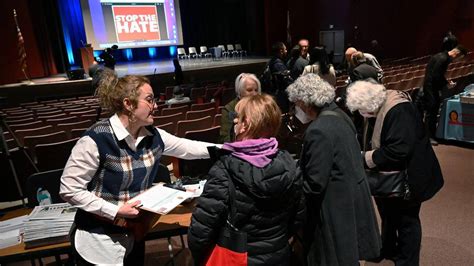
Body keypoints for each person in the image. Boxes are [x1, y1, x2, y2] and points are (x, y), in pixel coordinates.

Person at [60, 69, 219, 265]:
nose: (156, 106)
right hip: (98, 244)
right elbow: (69, 189)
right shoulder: (95, 139)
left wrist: (231, 149)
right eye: (150, 100)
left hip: (133, 236)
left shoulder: (154, 135)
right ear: (128, 104)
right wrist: (115, 210)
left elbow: (189, 148)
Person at [188, 94, 305, 265]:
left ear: (246, 125)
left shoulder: (224, 169)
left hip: (238, 258)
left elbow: (201, 232)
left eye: (237, 118)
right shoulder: (290, 164)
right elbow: (298, 218)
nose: (234, 122)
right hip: (278, 255)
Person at [346, 80, 444, 265]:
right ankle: (388, 248)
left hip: (411, 176)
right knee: (388, 215)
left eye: (361, 109)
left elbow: (399, 150)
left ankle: (407, 260)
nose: (361, 114)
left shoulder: (399, 110)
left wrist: (364, 157)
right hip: (390, 177)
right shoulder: (377, 106)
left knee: (407, 221)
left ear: (371, 103)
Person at [286, 74, 381, 265]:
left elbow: (314, 184)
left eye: (297, 104)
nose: (297, 109)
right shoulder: (340, 115)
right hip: (350, 198)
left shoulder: (318, 130)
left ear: (306, 102)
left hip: (334, 208)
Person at [422, 45, 467, 144]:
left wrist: (446, 81)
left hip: (432, 87)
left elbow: (438, 74)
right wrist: (446, 84)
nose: (458, 61)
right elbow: (435, 75)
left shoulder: (442, 56)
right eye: (460, 58)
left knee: (433, 110)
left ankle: (430, 135)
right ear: (457, 54)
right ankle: (428, 137)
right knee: (432, 111)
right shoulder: (443, 59)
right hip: (430, 88)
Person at [219, 73, 261, 143]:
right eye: (249, 90)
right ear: (240, 92)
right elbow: (225, 138)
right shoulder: (230, 109)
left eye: (256, 90)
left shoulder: (261, 106)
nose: (254, 94)